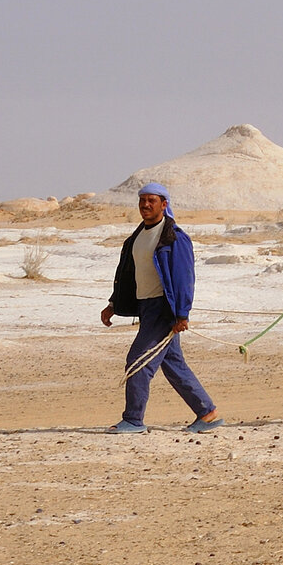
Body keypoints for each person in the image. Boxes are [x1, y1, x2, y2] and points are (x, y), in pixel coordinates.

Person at [100, 182, 223, 434]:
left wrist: (182, 314)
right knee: (173, 364)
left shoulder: (173, 237)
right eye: (142, 200)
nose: (145, 205)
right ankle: (206, 412)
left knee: (138, 360)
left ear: (164, 204)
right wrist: (113, 304)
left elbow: (183, 278)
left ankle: (133, 419)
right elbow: (128, 275)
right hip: (144, 307)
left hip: (162, 308)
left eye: (151, 201)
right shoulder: (136, 238)